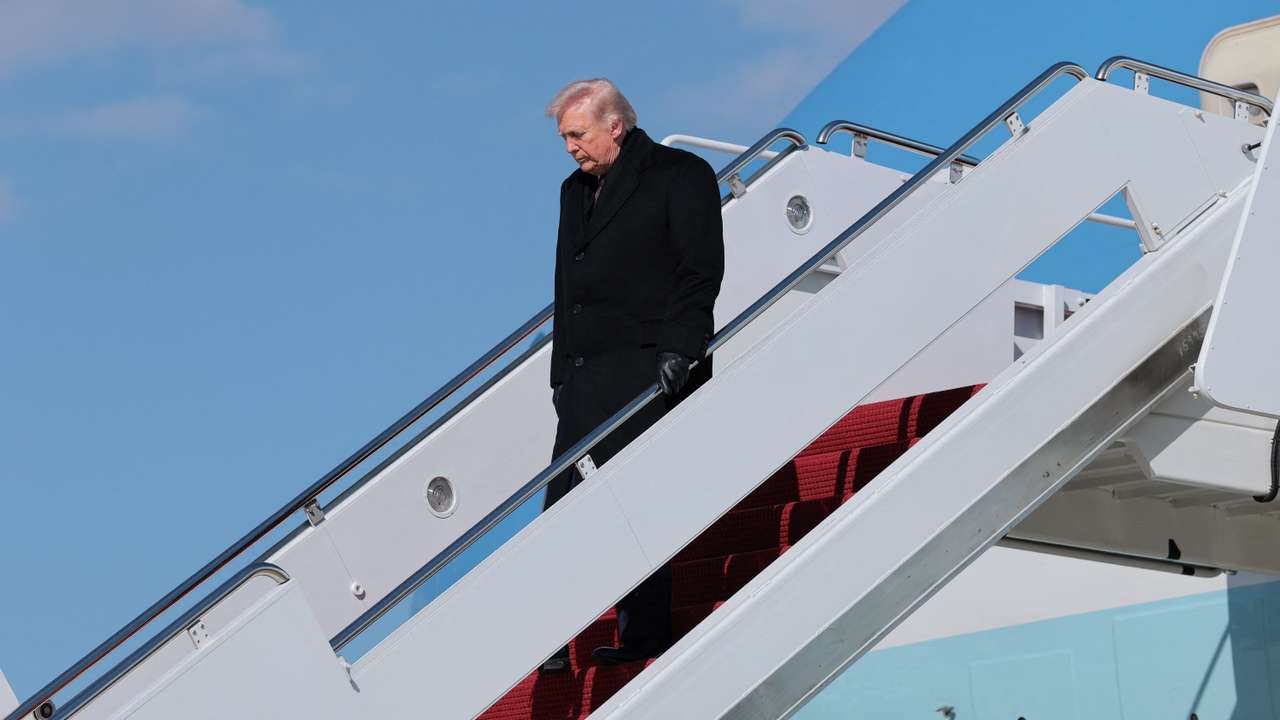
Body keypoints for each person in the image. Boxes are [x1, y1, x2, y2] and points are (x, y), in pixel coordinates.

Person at [540, 78, 724, 672]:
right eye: (565, 136)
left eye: (577, 133)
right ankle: (546, 640)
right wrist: (560, 370)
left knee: (636, 504)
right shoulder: (574, 191)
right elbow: (567, 285)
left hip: (652, 367)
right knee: (562, 508)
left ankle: (642, 636)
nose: (569, 147)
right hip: (585, 372)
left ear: (614, 125)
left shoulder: (681, 174)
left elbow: (700, 270)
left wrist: (681, 348)